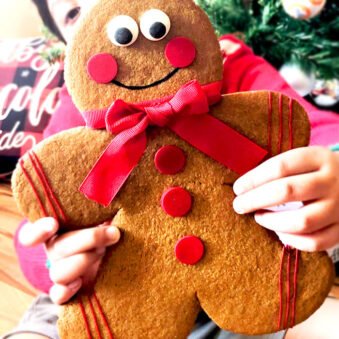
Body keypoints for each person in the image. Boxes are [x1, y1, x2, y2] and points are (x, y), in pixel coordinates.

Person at [3, 0, 339, 338]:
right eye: (75, 14)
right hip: (108, 291)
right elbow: (37, 218)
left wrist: (330, 171)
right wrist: (57, 262)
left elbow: (315, 128)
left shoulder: (227, 58)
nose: (107, 15)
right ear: (66, 45)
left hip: (241, 272)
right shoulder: (76, 111)